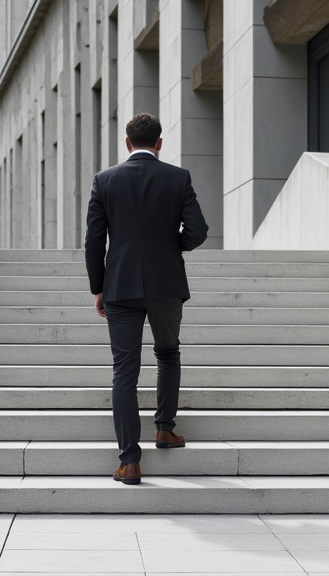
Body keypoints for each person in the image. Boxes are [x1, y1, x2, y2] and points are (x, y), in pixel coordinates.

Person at [84, 113, 209, 485]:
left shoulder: (104, 180)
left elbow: (94, 241)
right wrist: (174, 248)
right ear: (159, 143)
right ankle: (164, 429)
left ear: (127, 143)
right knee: (168, 352)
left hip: (120, 286)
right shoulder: (177, 177)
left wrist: (98, 286)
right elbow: (199, 230)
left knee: (124, 371)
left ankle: (130, 462)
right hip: (166, 282)